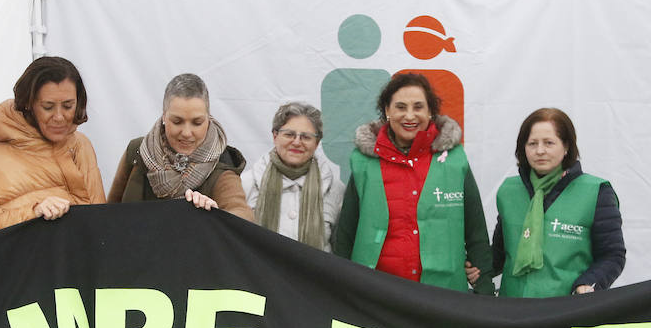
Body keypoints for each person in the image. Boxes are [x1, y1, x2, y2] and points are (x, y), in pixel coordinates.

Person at [332, 72, 492, 293]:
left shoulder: (455, 160)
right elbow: (346, 232)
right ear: (387, 111)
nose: (409, 116)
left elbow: (475, 231)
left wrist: (484, 286)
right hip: (376, 290)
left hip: (440, 293)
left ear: (430, 112)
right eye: (400, 107)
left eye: (418, 107)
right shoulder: (364, 162)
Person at [0, 56, 105, 242]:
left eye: (68, 106)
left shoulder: (82, 146)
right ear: (28, 104)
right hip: (29, 269)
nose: (59, 117)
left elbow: (99, 222)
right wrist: (31, 213)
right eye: (48, 107)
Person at [492, 108, 626, 297]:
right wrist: (473, 266)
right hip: (511, 310)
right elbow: (499, 254)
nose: (540, 151)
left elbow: (612, 255)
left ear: (566, 146)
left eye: (549, 143)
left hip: (565, 311)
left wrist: (588, 283)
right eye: (532, 143)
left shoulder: (596, 191)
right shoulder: (508, 191)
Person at [107, 73, 254, 219]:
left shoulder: (222, 163)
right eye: (177, 121)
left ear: (208, 119)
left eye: (197, 123)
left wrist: (218, 215)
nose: (186, 133)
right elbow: (109, 212)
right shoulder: (137, 151)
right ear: (164, 116)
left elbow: (243, 216)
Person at [242, 102, 344, 250]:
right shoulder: (246, 184)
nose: (297, 142)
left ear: (317, 143)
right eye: (289, 134)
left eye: (306, 137)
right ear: (275, 136)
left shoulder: (335, 189)